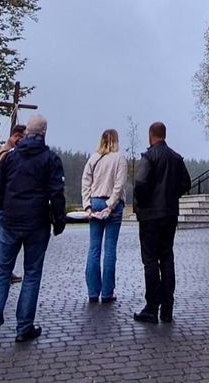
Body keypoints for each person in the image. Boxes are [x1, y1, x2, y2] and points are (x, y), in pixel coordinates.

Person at [0, 114, 66, 344]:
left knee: (1, 273)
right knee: (32, 275)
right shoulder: (50, 159)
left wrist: (5, 207)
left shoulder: (11, 158)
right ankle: (24, 327)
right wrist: (58, 221)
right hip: (37, 222)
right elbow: (56, 192)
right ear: (44, 132)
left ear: (27, 131)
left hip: (10, 220)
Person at [132, 121, 190, 324]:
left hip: (150, 216)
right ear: (164, 135)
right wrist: (171, 195)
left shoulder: (149, 157)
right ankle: (167, 308)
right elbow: (186, 183)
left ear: (151, 135)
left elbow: (140, 182)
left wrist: (143, 201)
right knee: (166, 258)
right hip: (169, 214)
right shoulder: (175, 158)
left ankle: (151, 307)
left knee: (150, 261)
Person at [81, 128, 127, 302]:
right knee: (110, 250)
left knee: (94, 248)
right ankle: (107, 292)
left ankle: (93, 292)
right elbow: (119, 185)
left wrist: (87, 205)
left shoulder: (93, 158)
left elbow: (86, 182)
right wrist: (111, 205)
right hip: (112, 205)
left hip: (95, 202)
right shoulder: (119, 159)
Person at [0, 124, 27, 289]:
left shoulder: (2, 152)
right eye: (22, 137)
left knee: (1, 238)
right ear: (16, 137)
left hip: (3, 201)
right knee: (0, 239)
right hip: (5, 203)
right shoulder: (5, 154)